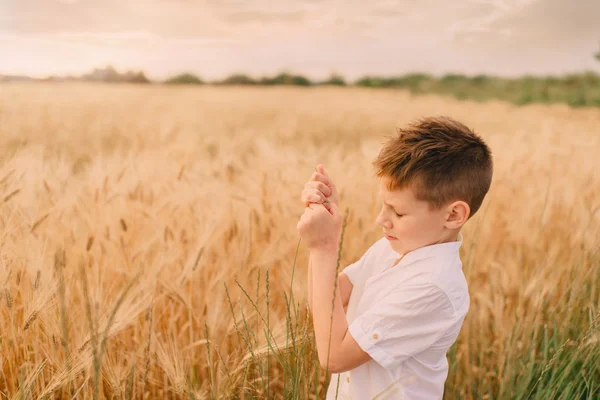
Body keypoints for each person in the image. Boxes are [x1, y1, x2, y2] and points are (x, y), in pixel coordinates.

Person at [297, 116, 493, 399]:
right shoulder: (393, 247)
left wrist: (323, 248)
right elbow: (330, 297)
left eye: (398, 212)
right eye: (383, 205)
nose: (381, 220)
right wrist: (324, 222)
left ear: (453, 215)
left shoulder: (433, 288)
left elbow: (334, 357)